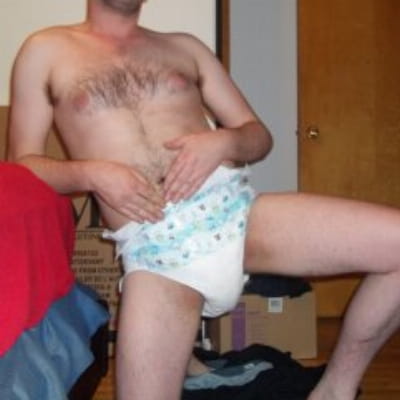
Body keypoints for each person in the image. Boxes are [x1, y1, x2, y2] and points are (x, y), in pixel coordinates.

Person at [6, 1, 400, 399]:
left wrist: (224, 141)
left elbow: (258, 136)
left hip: (236, 214)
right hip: (157, 250)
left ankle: (335, 389)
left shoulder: (185, 47)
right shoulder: (46, 49)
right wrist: (92, 174)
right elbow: (22, 166)